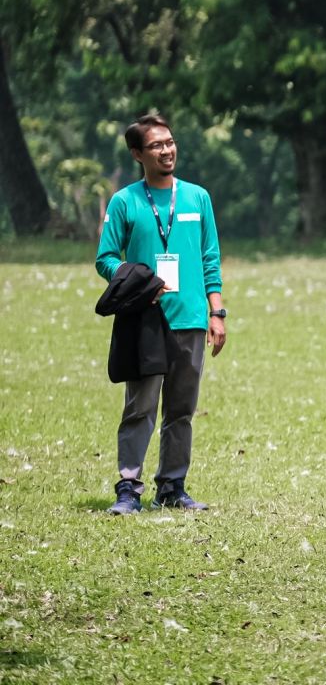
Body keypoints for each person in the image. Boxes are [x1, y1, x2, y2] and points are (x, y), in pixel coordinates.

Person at [95, 114, 226, 514]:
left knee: (181, 409)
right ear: (138, 154)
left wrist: (216, 311)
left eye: (170, 142)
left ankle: (172, 486)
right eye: (156, 145)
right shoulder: (125, 201)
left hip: (190, 318)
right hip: (145, 320)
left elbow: (210, 259)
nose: (167, 150)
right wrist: (135, 280)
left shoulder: (197, 197)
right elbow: (105, 259)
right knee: (140, 406)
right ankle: (128, 489)